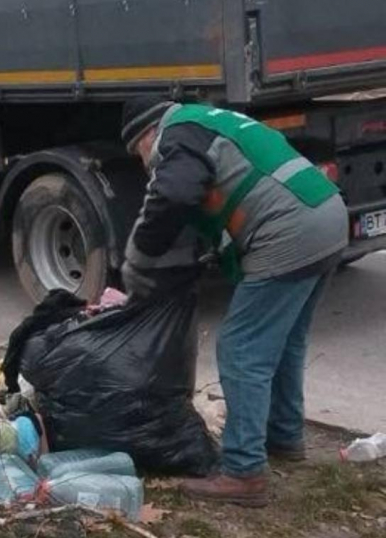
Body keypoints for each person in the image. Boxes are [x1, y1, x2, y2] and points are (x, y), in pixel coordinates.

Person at [119, 97, 348, 506]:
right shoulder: (211, 122)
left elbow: (173, 196)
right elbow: (221, 197)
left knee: (242, 349)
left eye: (139, 153)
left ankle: (244, 472)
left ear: (147, 134)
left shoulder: (178, 134)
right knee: (285, 343)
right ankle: (284, 437)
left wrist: (138, 256)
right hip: (327, 214)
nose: (144, 164)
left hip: (291, 232)